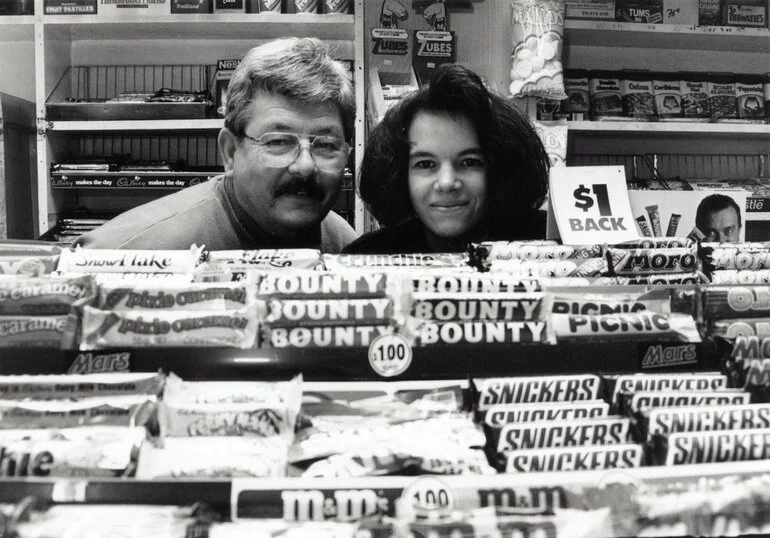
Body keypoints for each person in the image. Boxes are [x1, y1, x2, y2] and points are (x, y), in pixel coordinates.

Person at [76, 38, 358, 253]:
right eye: (279, 142)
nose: (305, 166)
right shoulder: (125, 255)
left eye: (326, 145)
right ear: (230, 152)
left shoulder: (344, 246)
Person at [343, 64, 549, 254]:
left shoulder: (551, 242)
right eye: (425, 164)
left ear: (499, 168)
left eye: (470, 162)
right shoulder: (369, 256)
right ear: (398, 175)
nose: (447, 183)